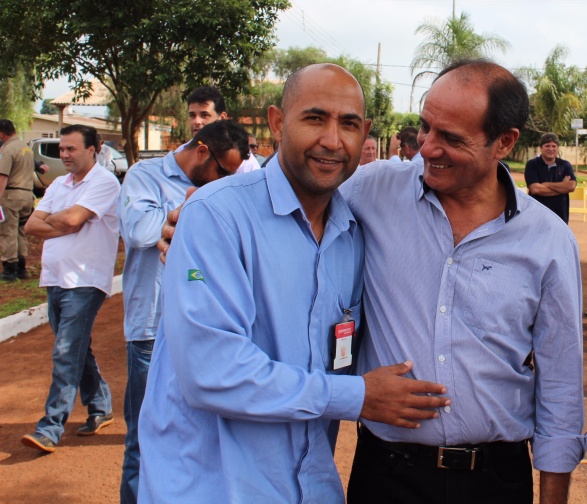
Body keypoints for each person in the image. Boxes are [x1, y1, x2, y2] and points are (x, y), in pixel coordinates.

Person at [138, 65, 449, 503]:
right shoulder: (218, 216)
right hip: (215, 487)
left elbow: (341, 352)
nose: (333, 140)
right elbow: (211, 371)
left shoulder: (352, 235)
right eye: (315, 118)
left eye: (349, 124)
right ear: (278, 122)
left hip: (309, 486)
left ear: (366, 135)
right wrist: (357, 395)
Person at [343, 60, 587, 504]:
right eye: (425, 127)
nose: (428, 148)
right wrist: (198, 220)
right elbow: (286, 205)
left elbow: (560, 385)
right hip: (385, 476)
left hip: (494, 482)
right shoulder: (370, 191)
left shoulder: (547, 241)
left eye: (452, 138)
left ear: (505, 142)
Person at [117, 120, 250, 504]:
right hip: (150, 326)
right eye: (222, 172)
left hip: (200, 330)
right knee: (143, 438)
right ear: (203, 151)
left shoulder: (215, 188)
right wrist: (194, 212)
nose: (223, 180)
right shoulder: (146, 175)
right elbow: (139, 231)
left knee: (197, 437)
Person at [20, 125, 121, 453]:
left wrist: (61, 221)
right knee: (76, 348)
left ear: (93, 149)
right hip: (54, 277)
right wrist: (62, 222)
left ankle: (50, 427)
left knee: (66, 351)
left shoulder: (104, 182)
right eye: (62, 149)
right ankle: (100, 404)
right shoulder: (59, 184)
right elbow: (30, 225)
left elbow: (72, 220)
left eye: (71, 149)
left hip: (85, 280)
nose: (64, 155)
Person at [179, 85, 259, 174]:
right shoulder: (180, 155)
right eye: (192, 115)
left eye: (204, 115)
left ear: (222, 118)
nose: (197, 121)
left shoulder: (246, 163)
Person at [0, 119, 37, 282]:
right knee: (21, 231)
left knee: (8, 231)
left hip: (11, 196)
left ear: (2, 133)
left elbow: (2, 177)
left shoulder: (7, 150)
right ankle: (22, 267)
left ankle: (10, 269)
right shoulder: (26, 148)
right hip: (27, 195)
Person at [524, 132, 577, 223]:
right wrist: (562, 187)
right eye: (547, 146)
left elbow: (571, 186)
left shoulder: (564, 165)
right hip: (537, 217)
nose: (551, 149)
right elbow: (536, 190)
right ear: (541, 148)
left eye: (554, 146)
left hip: (560, 217)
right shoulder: (532, 165)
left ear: (557, 148)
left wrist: (546, 184)